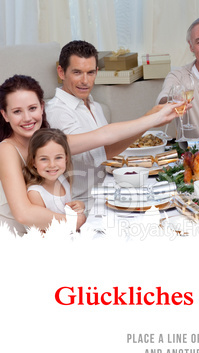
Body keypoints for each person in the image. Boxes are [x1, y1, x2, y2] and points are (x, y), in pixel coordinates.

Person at [0, 74, 180, 235]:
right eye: (17, 111)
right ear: (5, 115)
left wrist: (151, 118)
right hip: (20, 237)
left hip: (56, 230)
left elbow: (103, 137)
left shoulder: (47, 141)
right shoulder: (6, 150)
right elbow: (23, 214)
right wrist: (74, 220)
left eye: (32, 108)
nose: (27, 118)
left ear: (41, 107)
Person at [46, 40, 149, 211]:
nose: (85, 81)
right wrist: (148, 120)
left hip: (106, 191)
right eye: (77, 72)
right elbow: (96, 155)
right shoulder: (56, 112)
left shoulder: (94, 105)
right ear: (61, 72)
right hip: (80, 205)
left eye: (90, 72)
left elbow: (106, 153)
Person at [23, 128, 86, 228]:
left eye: (58, 157)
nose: (52, 165)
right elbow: (40, 231)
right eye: (44, 159)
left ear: (66, 158)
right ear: (33, 161)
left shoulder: (62, 179)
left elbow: (66, 210)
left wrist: (79, 205)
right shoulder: (36, 194)